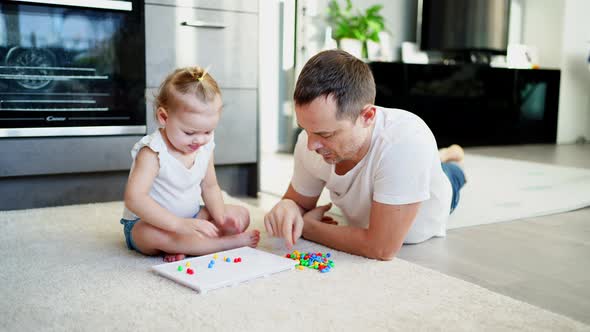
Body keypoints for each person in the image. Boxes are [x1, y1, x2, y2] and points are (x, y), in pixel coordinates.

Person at [264, 50, 466, 260]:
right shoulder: (312, 141)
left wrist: (309, 228)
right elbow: (299, 203)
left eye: (326, 134)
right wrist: (288, 207)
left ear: (367, 116)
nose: (311, 145)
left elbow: (381, 248)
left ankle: (448, 158)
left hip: (438, 193)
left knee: (451, 174)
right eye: (305, 129)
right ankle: (441, 155)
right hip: (401, 166)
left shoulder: (407, 140)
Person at [120, 66, 260, 262]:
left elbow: (210, 186)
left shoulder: (203, 146)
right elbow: (135, 199)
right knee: (151, 234)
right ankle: (224, 244)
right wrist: (178, 225)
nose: (200, 140)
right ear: (164, 117)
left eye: (208, 131)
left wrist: (220, 217)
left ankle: (188, 245)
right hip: (150, 224)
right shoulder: (152, 152)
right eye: (189, 133)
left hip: (192, 217)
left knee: (240, 213)